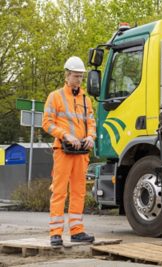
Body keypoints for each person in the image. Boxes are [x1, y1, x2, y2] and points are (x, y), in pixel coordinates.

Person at [42, 56, 96, 246]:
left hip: (81, 153)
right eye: (75, 76)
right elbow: (46, 123)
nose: (78, 80)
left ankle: (77, 231)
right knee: (59, 192)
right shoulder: (55, 96)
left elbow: (91, 122)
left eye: (81, 77)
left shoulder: (85, 99)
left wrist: (90, 137)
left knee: (79, 191)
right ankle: (55, 233)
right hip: (63, 151)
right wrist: (65, 135)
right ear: (67, 75)